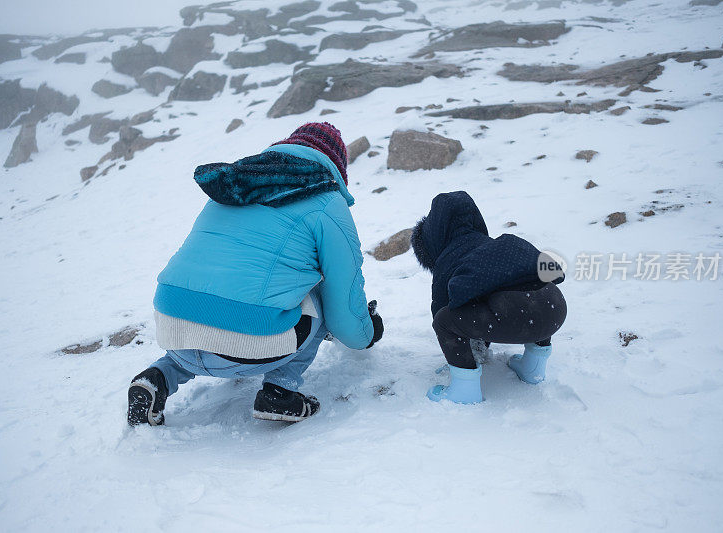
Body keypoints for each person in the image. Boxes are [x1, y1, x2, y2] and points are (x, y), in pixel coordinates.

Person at [127, 122, 384, 426]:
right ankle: (280, 390)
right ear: (336, 166)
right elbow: (343, 298)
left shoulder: (235, 184)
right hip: (248, 343)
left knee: (208, 310)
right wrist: (366, 333)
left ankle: (156, 378)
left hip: (173, 328)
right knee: (320, 287)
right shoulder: (326, 200)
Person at [410, 191, 566, 404]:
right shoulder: (488, 244)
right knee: (531, 289)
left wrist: (467, 349)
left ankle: (464, 391)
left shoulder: (449, 257)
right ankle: (533, 368)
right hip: (555, 308)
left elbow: (444, 309)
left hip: (515, 316)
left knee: (443, 321)